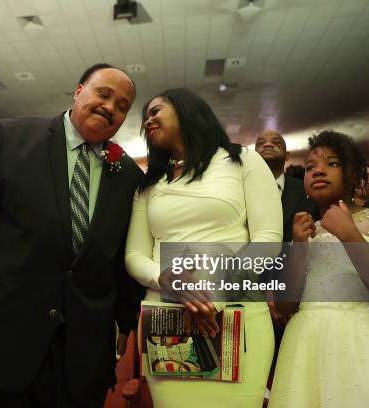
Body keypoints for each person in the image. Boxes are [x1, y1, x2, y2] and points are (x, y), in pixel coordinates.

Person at [0, 63, 144, 407]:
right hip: (4, 338)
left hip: (80, 354)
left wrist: (123, 322)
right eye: (103, 94)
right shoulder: (10, 138)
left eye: (122, 106)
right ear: (79, 92)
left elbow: (120, 255)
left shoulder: (127, 175)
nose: (110, 107)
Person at [125, 88, 282, 407]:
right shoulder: (149, 185)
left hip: (239, 314)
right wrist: (171, 281)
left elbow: (268, 240)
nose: (148, 120)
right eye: (145, 117)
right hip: (167, 318)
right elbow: (134, 256)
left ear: (187, 110)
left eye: (156, 110)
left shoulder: (242, 160)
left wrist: (213, 292)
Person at [270, 130, 369, 408]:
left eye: (331, 163)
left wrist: (350, 235)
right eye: (310, 167)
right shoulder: (306, 231)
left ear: (353, 173)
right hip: (309, 348)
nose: (318, 171)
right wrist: (298, 246)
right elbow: (286, 307)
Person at [255, 130, 317, 243]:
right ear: (253, 156)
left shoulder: (307, 190)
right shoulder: (240, 190)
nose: (268, 144)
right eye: (260, 143)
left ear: (287, 155)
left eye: (276, 142)